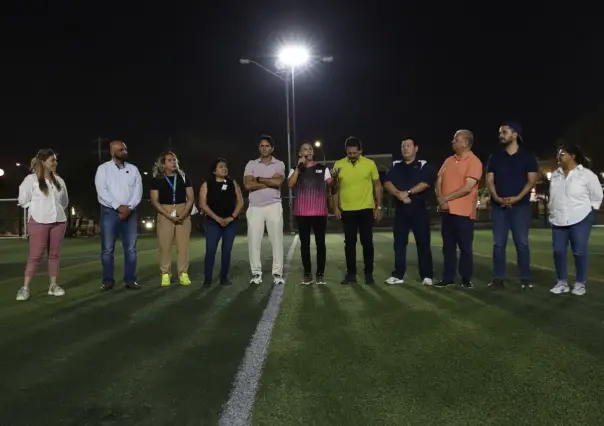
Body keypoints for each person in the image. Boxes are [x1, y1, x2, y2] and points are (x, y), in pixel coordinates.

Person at [486, 122, 539, 289]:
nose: (501, 135)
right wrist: (496, 197)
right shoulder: (495, 157)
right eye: (500, 132)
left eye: (504, 132)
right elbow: (489, 180)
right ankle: (498, 279)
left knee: (522, 243)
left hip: (520, 207)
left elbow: (532, 181)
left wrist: (517, 198)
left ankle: (525, 279)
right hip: (498, 207)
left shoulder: (528, 156)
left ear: (515, 135)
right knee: (498, 244)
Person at [548, 144, 602, 296]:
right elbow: (554, 197)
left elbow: (597, 196)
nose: (558, 156)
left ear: (572, 156)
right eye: (558, 153)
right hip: (558, 219)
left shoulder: (587, 175)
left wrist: (589, 213)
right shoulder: (556, 175)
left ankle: (580, 283)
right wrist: (552, 212)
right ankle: (562, 282)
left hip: (581, 218)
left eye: (562, 153)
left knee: (579, 252)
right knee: (558, 251)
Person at [16, 149, 69, 301]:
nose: (55, 163)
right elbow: (22, 200)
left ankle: (53, 286)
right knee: (35, 256)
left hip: (59, 221)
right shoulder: (30, 180)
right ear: (43, 162)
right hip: (38, 222)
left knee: (54, 255)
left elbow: (64, 202)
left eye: (55, 160)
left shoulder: (59, 180)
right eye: (52, 160)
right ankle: (25, 288)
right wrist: (37, 208)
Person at [383, 137, 436, 285]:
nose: (405, 148)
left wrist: (408, 192)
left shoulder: (423, 165)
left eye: (408, 146)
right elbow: (387, 182)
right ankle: (398, 275)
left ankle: (426, 276)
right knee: (399, 243)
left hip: (419, 210)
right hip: (401, 210)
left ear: (415, 148)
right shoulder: (395, 165)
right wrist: (399, 194)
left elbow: (425, 183)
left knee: (423, 243)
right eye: (403, 146)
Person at [435, 130, 483, 289]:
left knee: (465, 248)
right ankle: (448, 278)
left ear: (466, 143)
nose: (453, 142)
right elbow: (439, 180)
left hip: (463, 213)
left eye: (456, 139)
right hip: (446, 212)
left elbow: (468, 187)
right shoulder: (449, 160)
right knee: (448, 247)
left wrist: (445, 198)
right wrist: (440, 199)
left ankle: (466, 279)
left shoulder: (474, 162)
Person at [332, 137, 382, 285]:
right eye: (349, 153)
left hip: (366, 208)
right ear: (346, 151)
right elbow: (334, 188)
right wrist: (335, 207)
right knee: (350, 243)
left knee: (367, 242)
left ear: (360, 150)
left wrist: (378, 206)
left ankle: (368, 274)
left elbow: (377, 186)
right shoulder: (339, 164)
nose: (352, 155)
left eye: (355, 153)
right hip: (347, 210)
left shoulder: (370, 164)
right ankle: (351, 274)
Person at [94, 140, 143, 290]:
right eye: (120, 150)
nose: (124, 152)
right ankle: (108, 281)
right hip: (109, 212)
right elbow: (102, 191)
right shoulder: (103, 169)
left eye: (125, 149)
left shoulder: (133, 169)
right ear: (112, 152)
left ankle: (130, 280)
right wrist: (118, 207)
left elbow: (138, 190)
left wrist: (129, 207)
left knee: (131, 249)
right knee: (108, 249)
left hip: (130, 213)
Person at [243, 135, 286, 285]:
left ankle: (278, 272)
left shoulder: (279, 164)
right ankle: (256, 273)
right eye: (262, 146)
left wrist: (258, 179)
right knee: (254, 242)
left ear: (272, 148)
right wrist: (269, 182)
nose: (264, 148)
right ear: (259, 148)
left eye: (267, 146)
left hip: (274, 205)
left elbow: (278, 182)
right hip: (255, 207)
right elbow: (247, 185)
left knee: (277, 241)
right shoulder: (251, 164)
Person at [287, 141, 332, 285]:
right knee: (304, 245)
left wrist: (335, 178)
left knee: (321, 244)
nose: (309, 151)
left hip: (319, 212)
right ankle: (307, 274)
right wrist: (299, 168)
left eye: (310, 149)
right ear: (300, 154)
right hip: (302, 213)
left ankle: (320, 274)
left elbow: (332, 184)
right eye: (305, 149)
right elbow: (290, 184)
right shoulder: (295, 169)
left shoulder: (322, 168)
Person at [150, 151, 195, 287]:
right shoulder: (157, 180)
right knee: (165, 246)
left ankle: (183, 273)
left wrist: (183, 214)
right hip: (165, 212)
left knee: (183, 246)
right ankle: (165, 274)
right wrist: (168, 214)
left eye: (174, 160)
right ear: (163, 164)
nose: (174, 162)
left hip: (183, 211)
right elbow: (154, 200)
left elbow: (191, 198)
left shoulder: (183, 177)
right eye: (170, 160)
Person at [200, 158, 244, 286]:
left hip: (230, 223)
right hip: (213, 223)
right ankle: (207, 279)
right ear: (214, 170)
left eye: (225, 166)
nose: (224, 169)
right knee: (211, 250)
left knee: (226, 250)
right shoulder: (207, 184)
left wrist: (231, 217)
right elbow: (203, 204)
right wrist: (217, 218)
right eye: (220, 167)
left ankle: (223, 278)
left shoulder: (232, 183)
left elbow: (240, 202)